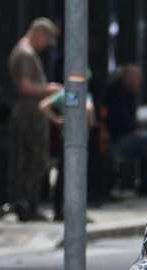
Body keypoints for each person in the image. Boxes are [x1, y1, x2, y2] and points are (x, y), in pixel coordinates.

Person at [8, 17, 62, 221]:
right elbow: (25, 86)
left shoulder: (26, 53)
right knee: (34, 161)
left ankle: (28, 205)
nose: (46, 46)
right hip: (29, 115)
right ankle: (27, 206)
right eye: (46, 40)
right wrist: (49, 88)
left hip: (32, 115)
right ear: (37, 33)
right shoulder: (25, 54)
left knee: (33, 160)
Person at [104, 64, 147, 196]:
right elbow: (117, 122)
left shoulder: (129, 94)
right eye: (137, 79)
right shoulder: (117, 94)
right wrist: (134, 128)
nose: (139, 83)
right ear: (128, 78)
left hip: (126, 135)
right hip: (117, 139)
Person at [38, 78, 96, 221]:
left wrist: (57, 119)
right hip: (80, 139)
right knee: (78, 176)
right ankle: (76, 212)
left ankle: (59, 210)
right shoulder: (85, 94)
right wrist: (90, 122)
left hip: (66, 136)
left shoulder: (65, 93)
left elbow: (43, 106)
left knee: (62, 174)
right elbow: (89, 109)